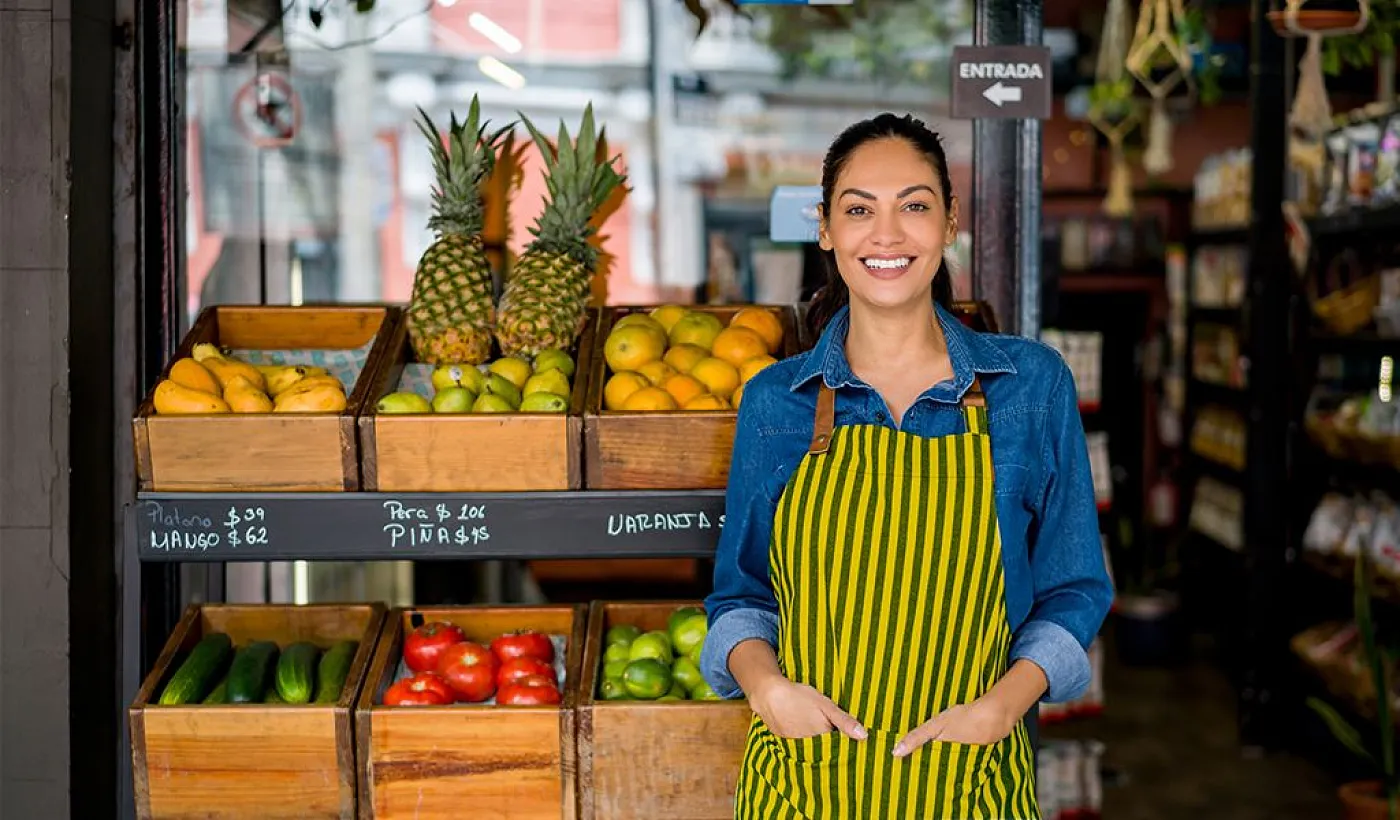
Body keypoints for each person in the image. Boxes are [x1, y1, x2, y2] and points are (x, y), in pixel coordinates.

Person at [700, 112, 1114, 819]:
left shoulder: (1030, 387)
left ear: (949, 222)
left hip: (970, 785)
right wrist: (767, 690)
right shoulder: (776, 401)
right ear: (825, 229)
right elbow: (742, 596)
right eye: (859, 210)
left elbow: (1073, 591)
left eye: (914, 206)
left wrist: (1001, 707)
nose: (886, 235)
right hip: (803, 785)